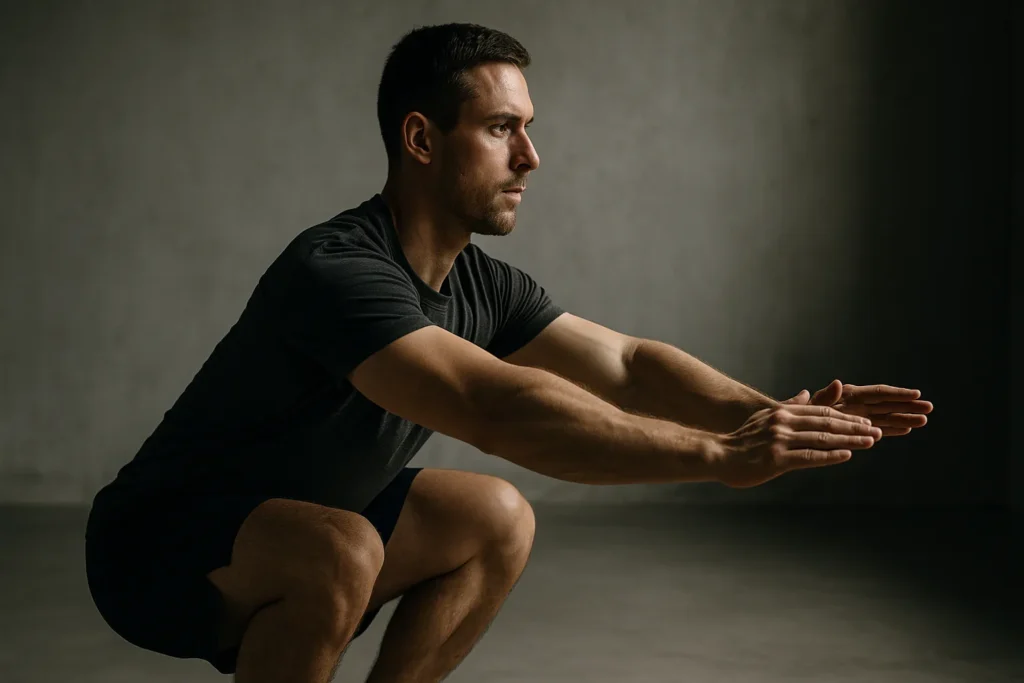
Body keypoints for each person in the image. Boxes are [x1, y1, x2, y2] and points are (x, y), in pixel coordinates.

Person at [84, 22, 933, 683]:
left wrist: (774, 417)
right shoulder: (337, 270)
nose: (532, 156)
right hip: (157, 547)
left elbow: (631, 364)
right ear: (422, 140)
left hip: (310, 522)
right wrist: (718, 456)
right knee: (341, 547)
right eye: (501, 129)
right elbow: (500, 409)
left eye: (527, 128)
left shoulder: (482, 284)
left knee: (496, 517)